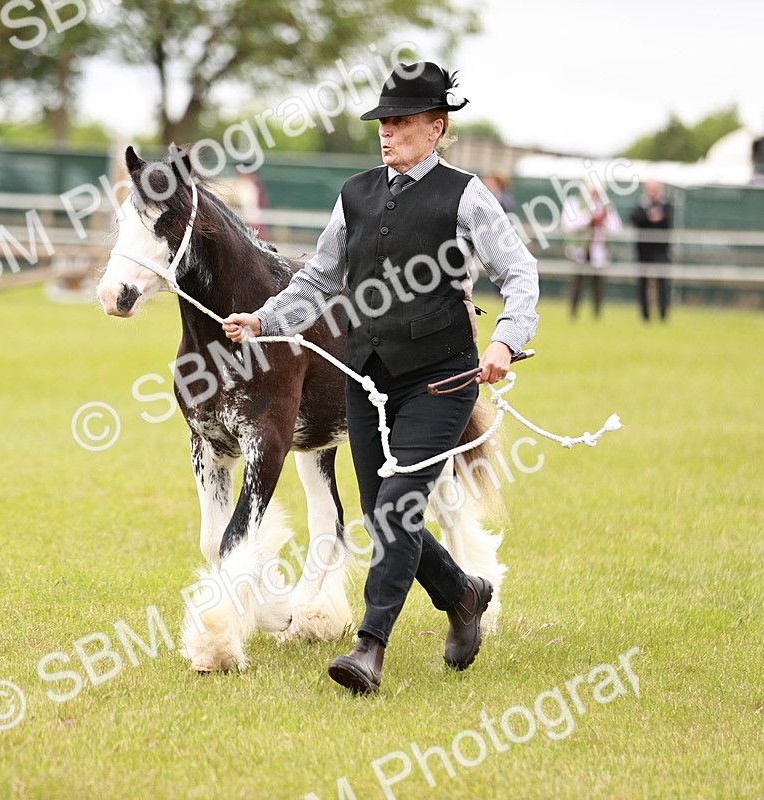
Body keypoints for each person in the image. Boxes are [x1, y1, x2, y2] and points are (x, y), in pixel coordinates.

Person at [222, 62, 539, 695]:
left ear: (436, 127)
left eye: (400, 122)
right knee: (380, 507)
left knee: (396, 510)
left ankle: (370, 646)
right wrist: (264, 318)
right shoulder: (355, 194)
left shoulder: (467, 195)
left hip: (442, 381)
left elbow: (520, 273)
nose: (386, 133)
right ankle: (462, 592)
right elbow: (317, 279)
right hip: (367, 380)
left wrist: (506, 339)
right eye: (383, 123)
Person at [561, 183, 620, 319]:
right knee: (577, 283)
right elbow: (567, 224)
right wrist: (588, 218)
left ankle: (597, 315)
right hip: (580, 249)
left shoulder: (606, 205)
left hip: (598, 250)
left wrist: (603, 221)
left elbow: (616, 227)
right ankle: (573, 314)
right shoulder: (574, 201)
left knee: (597, 285)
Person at [631, 179, 673, 321]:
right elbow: (634, 219)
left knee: (663, 283)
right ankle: (645, 316)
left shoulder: (666, 205)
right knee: (642, 283)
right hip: (643, 251)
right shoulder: (641, 204)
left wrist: (657, 218)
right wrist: (649, 216)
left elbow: (668, 221)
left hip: (661, 251)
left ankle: (663, 314)